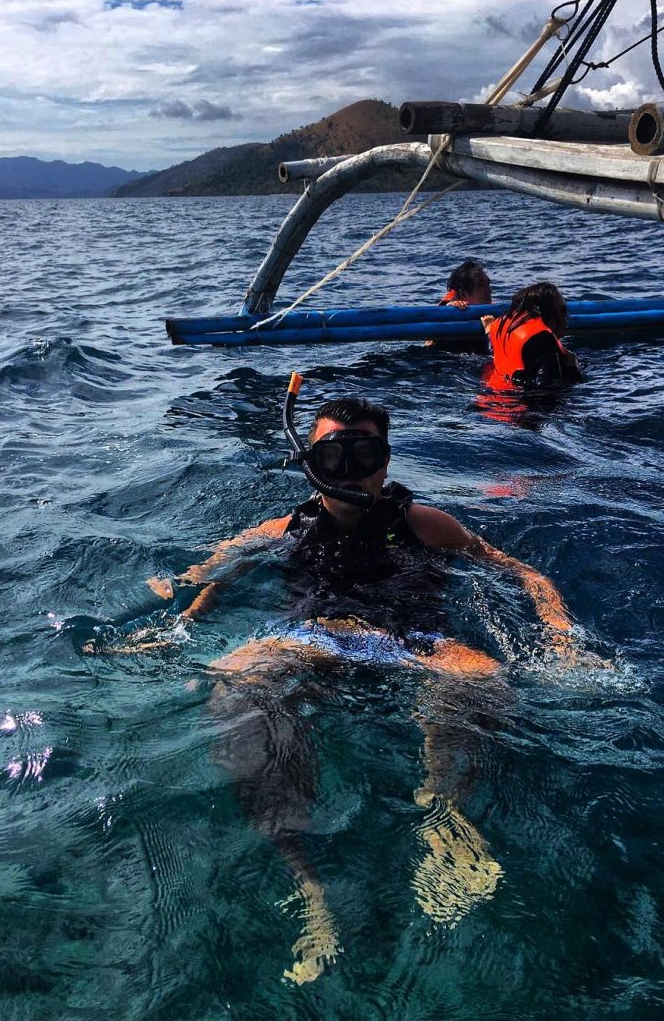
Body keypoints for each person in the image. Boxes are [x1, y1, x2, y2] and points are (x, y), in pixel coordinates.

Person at [91, 384, 596, 984]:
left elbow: (519, 572)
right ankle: (304, 877)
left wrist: (561, 635)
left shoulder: (427, 524)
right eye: (333, 457)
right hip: (313, 635)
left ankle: (446, 812)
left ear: (386, 463)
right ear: (309, 463)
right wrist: (178, 615)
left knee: (481, 678)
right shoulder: (285, 528)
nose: (350, 474)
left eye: (365, 457)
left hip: (415, 640)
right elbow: (212, 571)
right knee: (239, 684)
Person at [481, 281, 581, 387]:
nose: (566, 317)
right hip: (518, 401)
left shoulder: (499, 325)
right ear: (547, 313)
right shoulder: (543, 339)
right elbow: (549, 393)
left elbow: (494, 352)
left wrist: (488, 331)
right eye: (562, 310)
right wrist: (572, 367)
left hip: (488, 398)